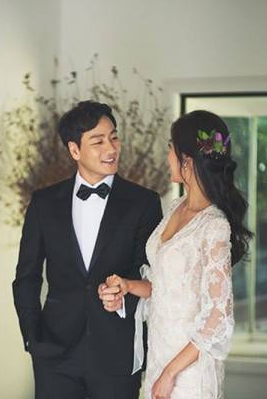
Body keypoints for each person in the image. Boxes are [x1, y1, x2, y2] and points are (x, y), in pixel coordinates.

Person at [12, 100, 162, 399]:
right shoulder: (44, 203)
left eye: (114, 137)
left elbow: (151, 276)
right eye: (98, 141)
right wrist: (32, 337)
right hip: (54, 355)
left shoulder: (144, 202)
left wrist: (122, 298)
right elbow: (26, 277)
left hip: (117, 353)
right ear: (74, 150)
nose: (111, 148)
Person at [100, 110, 253, 399]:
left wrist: (171, 373)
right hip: (160, 356)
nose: (167, 156)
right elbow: (165, 285)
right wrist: (128, 285)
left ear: (187, 160)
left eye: (170, 149)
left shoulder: (214, 225)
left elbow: (218, 316)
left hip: (188, 371)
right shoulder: (175, 208)